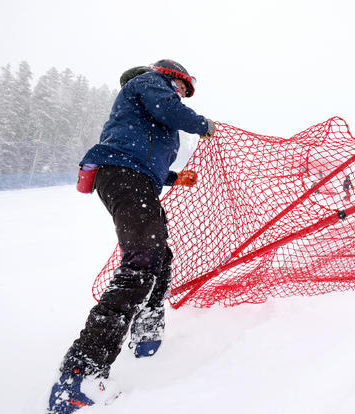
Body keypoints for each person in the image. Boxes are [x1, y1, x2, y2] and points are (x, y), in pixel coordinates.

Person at [47, 59, 214, 414]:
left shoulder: (144, 104)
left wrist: (173, 178)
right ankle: (82, 373)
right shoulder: (149, 83)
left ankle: (146, 323)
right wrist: (203, 125)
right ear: (171, 77)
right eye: (182, 88)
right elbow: (166, 111)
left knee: (159, 256)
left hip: (135, 177)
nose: (181, 96)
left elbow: (143, 151)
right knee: (140, 262)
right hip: (125, 176)